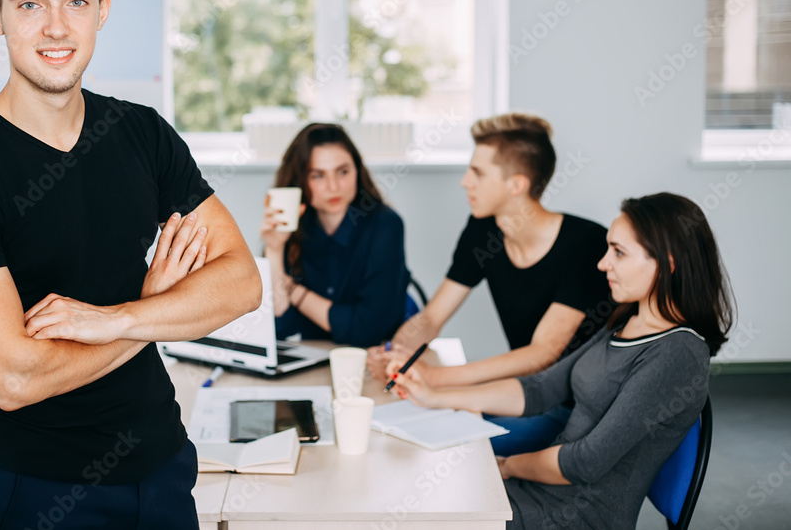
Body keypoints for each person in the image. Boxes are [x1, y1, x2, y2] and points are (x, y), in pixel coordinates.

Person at [0, 0, 261, 529]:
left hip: (160, 466)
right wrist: (153, 314)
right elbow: (14, 378)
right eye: (29, 4)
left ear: (102, 9)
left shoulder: (142, 134)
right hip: (38, 486)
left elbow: (240, 282)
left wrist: (118, 317)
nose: (55, 26)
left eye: (75, 1)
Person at [389, 192, 734, 530]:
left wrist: (507, 466)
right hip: (539, 492)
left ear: (668, 262)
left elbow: (586, 462)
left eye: (618, 252)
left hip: (578, 516)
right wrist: (434, 394)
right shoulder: (625, 319)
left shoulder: (678, 354)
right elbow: (540, 388)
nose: (603, 264)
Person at [368, 113, 613, 456]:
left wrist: (437, 378)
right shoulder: (484, 230)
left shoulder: (586, 244)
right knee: (405, 424)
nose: (465, 182)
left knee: (455, 445)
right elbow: (432, 317)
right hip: (523, 391)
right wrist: (397, 356)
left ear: (516, 184)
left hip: (575, 406)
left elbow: (543, 355)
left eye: (478, 173)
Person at [260, 123, 411, 348]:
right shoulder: (291, 227)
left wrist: (294, 291)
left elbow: (366, 330)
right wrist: (274, 250)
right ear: (300, 180)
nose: (333, 186)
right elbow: (279, 324)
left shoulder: (385, 226)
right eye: (318, 175)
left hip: (373, 359)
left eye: (342, 172)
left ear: (357, 171)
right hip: (313, 358)